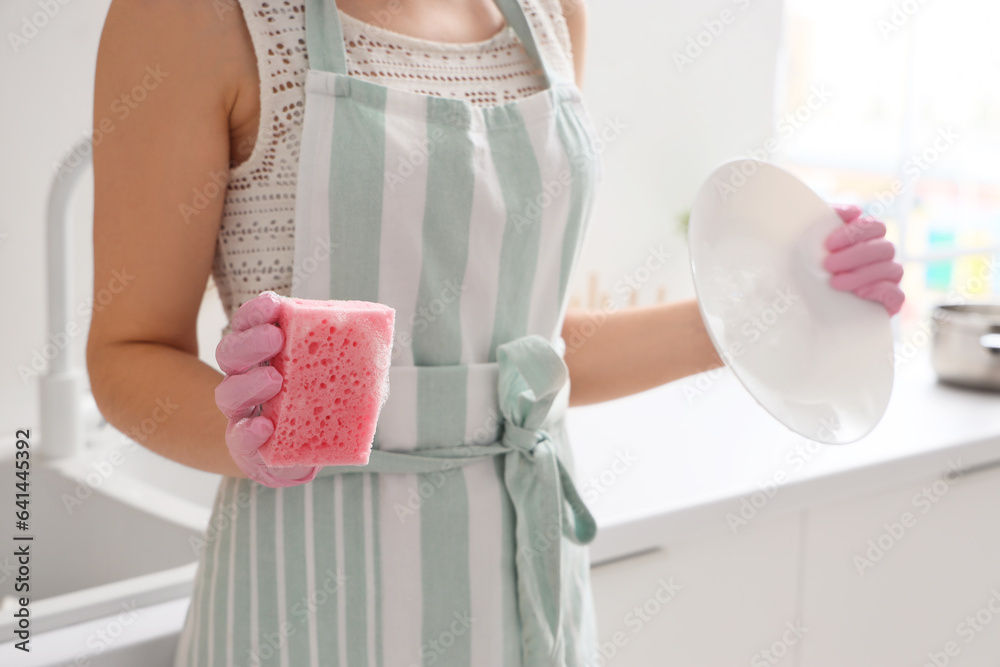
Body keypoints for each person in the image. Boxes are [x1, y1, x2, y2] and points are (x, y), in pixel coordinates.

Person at [87, 0, 905, 665]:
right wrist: (245, 430)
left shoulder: (548, 15)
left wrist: (770, 305)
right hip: (310, 597)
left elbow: (527, 354)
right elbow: (128, 351)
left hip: (527, 585)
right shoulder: (193, 19)